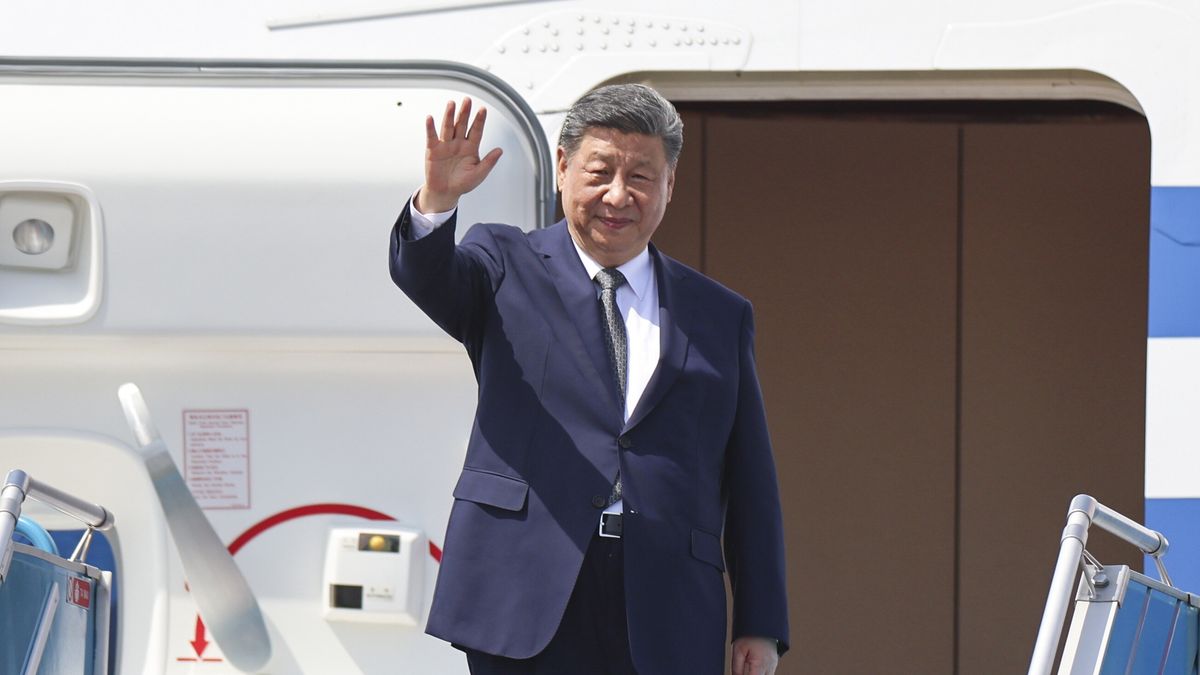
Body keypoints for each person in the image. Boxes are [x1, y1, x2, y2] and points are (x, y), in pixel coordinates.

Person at [389, 84, 788, 675]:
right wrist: (437, 203)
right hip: (526, 595)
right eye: (600, 172)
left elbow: (749, 475)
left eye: (642, 178)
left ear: (670, 186)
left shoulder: (719, 314)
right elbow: (428, 276)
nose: (618, 195)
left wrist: (761, 622)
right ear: (563, 168)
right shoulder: (503, 264)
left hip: (667, 606)